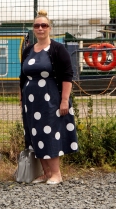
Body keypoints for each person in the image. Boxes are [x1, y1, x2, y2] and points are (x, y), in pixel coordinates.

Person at [19, 10, 78, 185]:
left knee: (50, 134)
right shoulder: (28, 50)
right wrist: (21, 98)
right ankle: (45, 173)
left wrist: (64, 100)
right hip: (31, 102)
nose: (40, 28)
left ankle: (56, 174)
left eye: (44, 25)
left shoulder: (58, 49)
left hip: (51, 99)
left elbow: (67, 76)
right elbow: (22, 77)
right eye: (37, 25)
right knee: (35, 135)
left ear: (49, 28)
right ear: (33, 29)